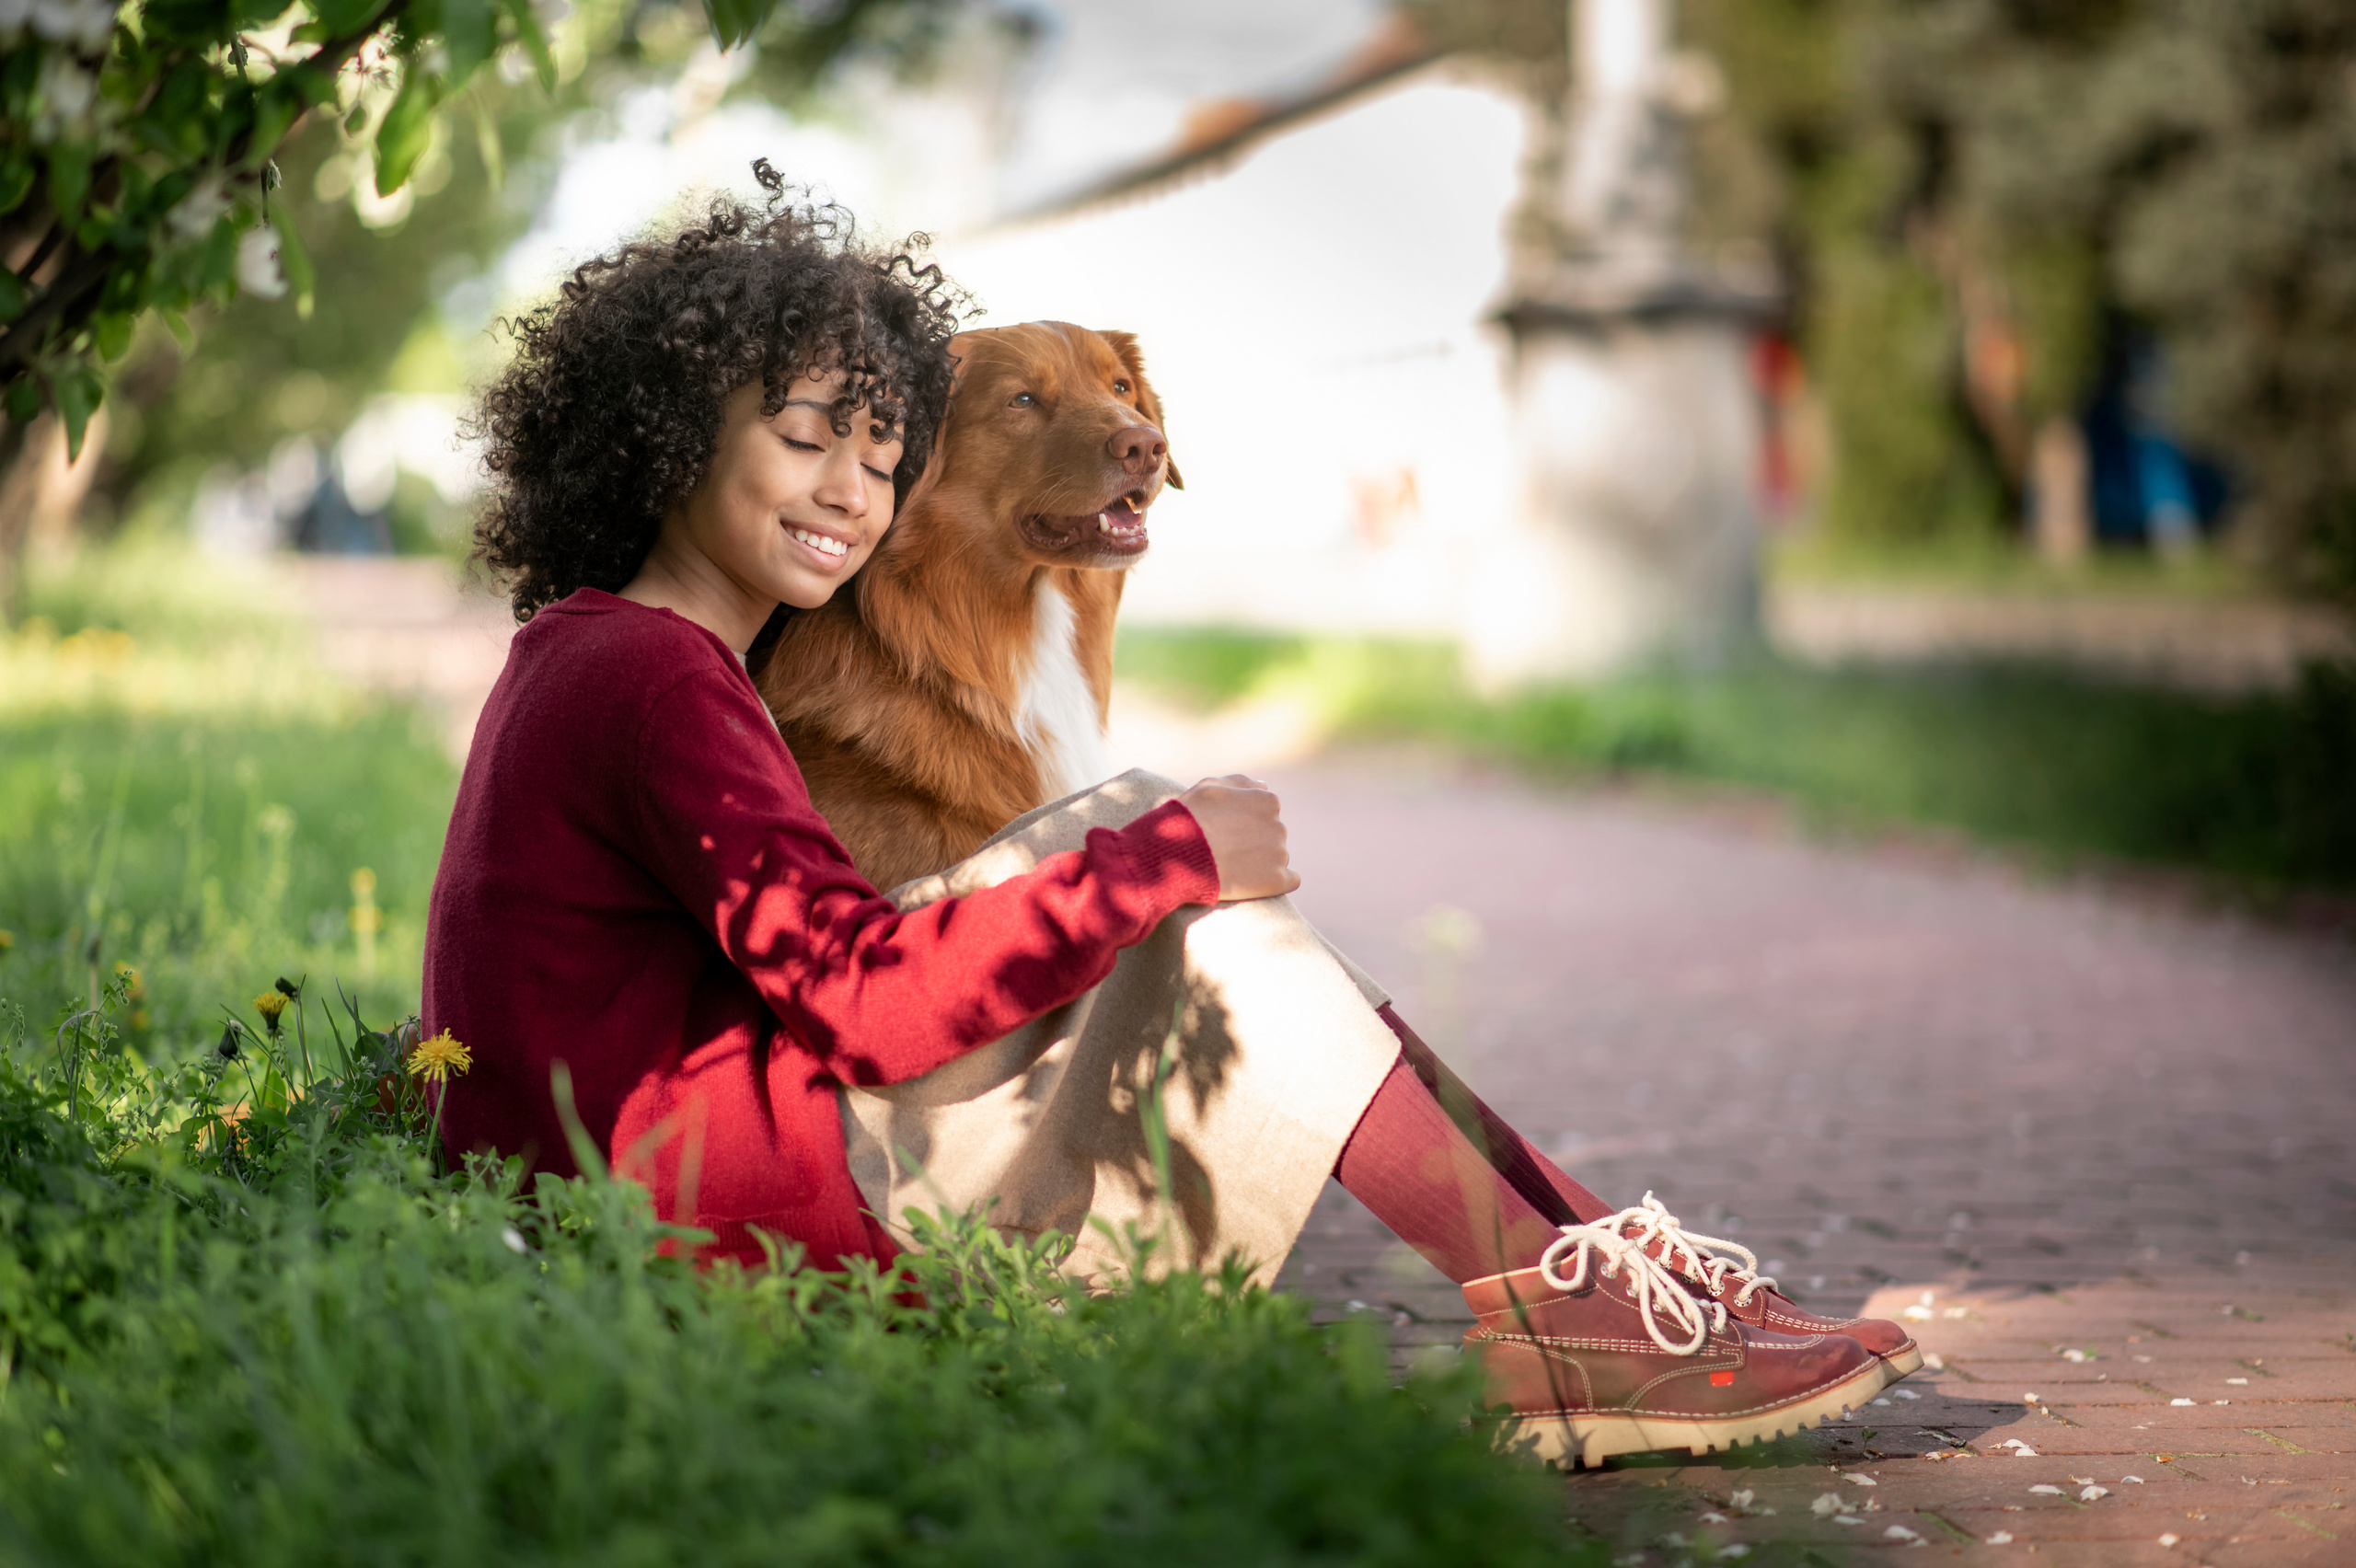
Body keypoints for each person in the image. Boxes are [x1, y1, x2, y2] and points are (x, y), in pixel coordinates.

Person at [423, 168, 1914, 1468]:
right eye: (813, 439)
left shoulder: (620, 650)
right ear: (676, 425)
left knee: (1133, 836)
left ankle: (1597, 1273)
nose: (854, 494)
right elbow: (864, 1001)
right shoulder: (651, 680)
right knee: (1163, 870)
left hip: (716, 1187)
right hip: (735, 1246)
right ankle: (1587, 1308)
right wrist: (1171, 861)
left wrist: (1147, 855)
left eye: (885, 457)